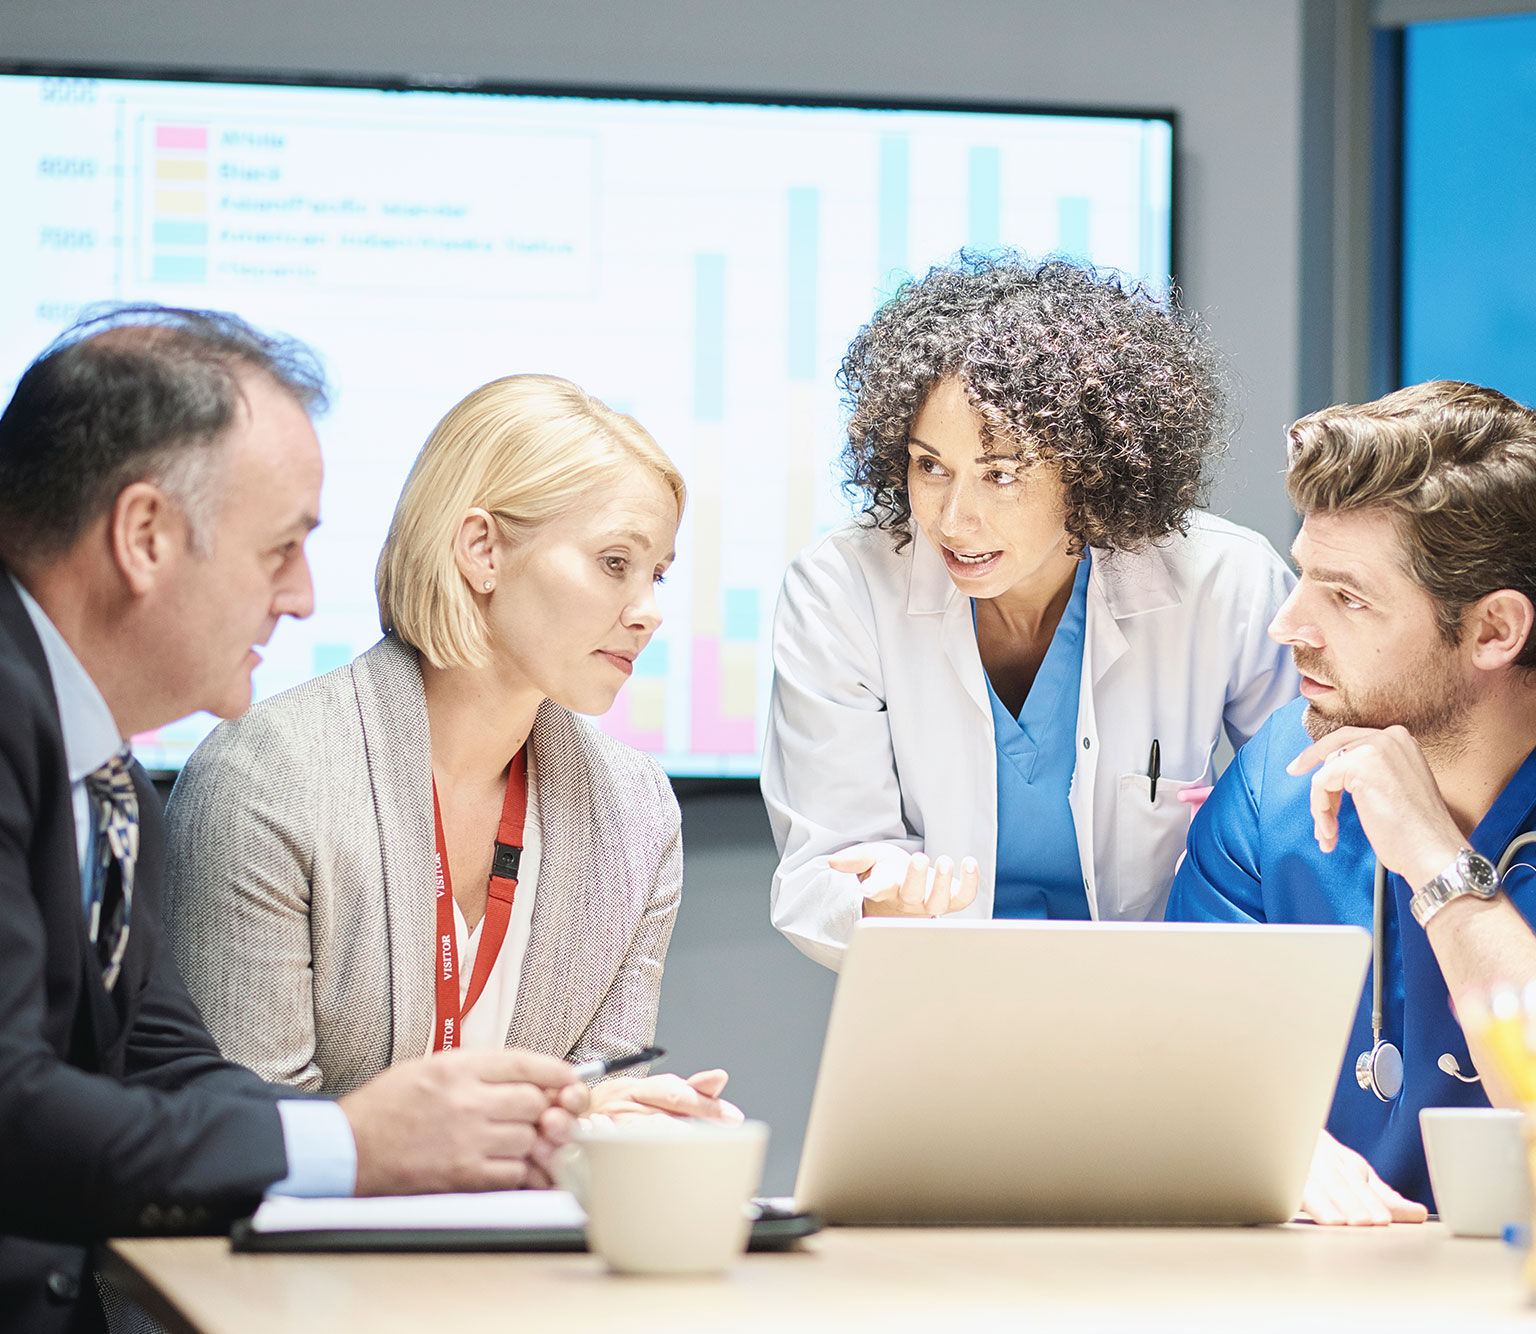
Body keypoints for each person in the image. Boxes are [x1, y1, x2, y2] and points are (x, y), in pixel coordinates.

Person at [0, 309, 589, 1334]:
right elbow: (11, 1113)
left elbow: (169, 1072)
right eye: (282, 548)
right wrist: (354, 1150)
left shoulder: (101, 769)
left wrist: (443, 1140)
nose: (305, 593)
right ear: (146, 536)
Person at [163, 374, 737, 1124]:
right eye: (614, 563)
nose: (649, 612)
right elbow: (245, 1136)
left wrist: (620, 1123)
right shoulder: (267, 776)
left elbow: (591, 1094)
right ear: (481, 549)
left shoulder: (637, 811)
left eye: (656, 574)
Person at [763, 254, 1298, 968]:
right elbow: (820, 867)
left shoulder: (1223, 583)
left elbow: (1310, 819)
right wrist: (877, 899)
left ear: (1090, 470)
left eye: (1001, 474)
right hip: (944, 999)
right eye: (930, 467)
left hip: (1162, 1000)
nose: (955, 518)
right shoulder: (844, 588)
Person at [1166, 381, 1536, 1226]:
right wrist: (1268, 1145)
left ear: (1492, 631)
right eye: (1304, 580)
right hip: (1320, 1305)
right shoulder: (1278, 786)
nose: (1288, 625)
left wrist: (1440, 866)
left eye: (1348, 596)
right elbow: (1184, 1059)